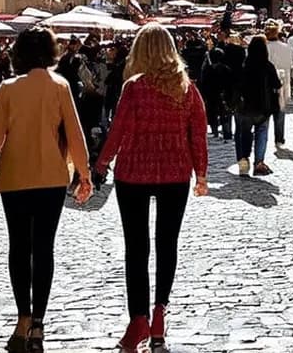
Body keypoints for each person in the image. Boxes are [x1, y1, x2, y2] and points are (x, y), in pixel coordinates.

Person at [0, 28, 92, 352]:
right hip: (51, 178)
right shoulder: (60, 86)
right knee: (44, 249)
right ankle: (38, 323)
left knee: (19, 248)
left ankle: (22, 317)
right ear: (51, 52)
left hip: (15, 179)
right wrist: (85, 174)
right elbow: (76, 136)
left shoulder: (9, 89)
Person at [94, 23, 208, 352]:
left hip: (133, 174)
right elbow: (197, 133)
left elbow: (117, 130)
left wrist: (100, 166)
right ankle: (160, 313)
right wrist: (200, 173)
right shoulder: (187, 89)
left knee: (137, 248)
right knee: (167, 244)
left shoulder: (134, 87)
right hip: (175, 174)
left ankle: (138, 319)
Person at [235, 35, 280, 176]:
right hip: (263, 107)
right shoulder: (268, 66)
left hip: (245, 107)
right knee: (261, 133)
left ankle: (243, 164)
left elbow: (237, 85)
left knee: (244, 134)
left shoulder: (243, 65)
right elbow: (277, 84)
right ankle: (259, 163)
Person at [265, 22, 293, 148]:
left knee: (266, 111)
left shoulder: (265, 48)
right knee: (280, 111)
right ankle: (279, 138)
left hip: (267, 83)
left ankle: (264, 136)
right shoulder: (287, 48)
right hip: (284, 83)